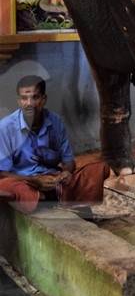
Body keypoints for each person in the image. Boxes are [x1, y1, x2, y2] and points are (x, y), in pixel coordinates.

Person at [0, 75, 109, 214]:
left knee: (98, 170)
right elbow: (2, 173)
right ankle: (49, 198)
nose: (29, 103)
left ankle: (52, 197)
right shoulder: (5, 128)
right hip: (24, 182)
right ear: (19, 101)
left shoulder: (55, 122)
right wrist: (34, 181)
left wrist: (66, 173)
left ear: (43, 99)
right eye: (24, 98)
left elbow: (68, 161)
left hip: (52, 179)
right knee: (7, 186)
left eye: (35, 97)